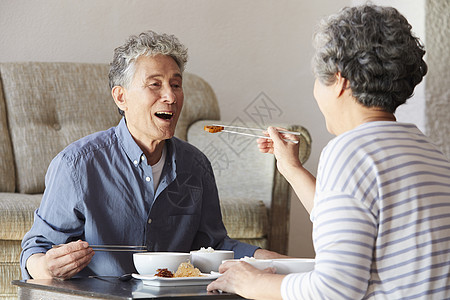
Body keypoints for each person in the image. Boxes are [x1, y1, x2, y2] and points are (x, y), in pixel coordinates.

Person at [207, 4, 450, 299]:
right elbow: (351, 219)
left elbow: (334, 289)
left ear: (339, 81)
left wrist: (251, 283)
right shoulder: (429, 152)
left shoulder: (349, 152)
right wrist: (291, 168)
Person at [20, 30, 281, 280]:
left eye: (176, 84)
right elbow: (36, 250)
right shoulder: (77, 165)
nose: (170, 96)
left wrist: (273, 260)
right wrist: (47, 266)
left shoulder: (196, 165)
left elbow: (212, 245)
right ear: (121, 97)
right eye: (155, 84)